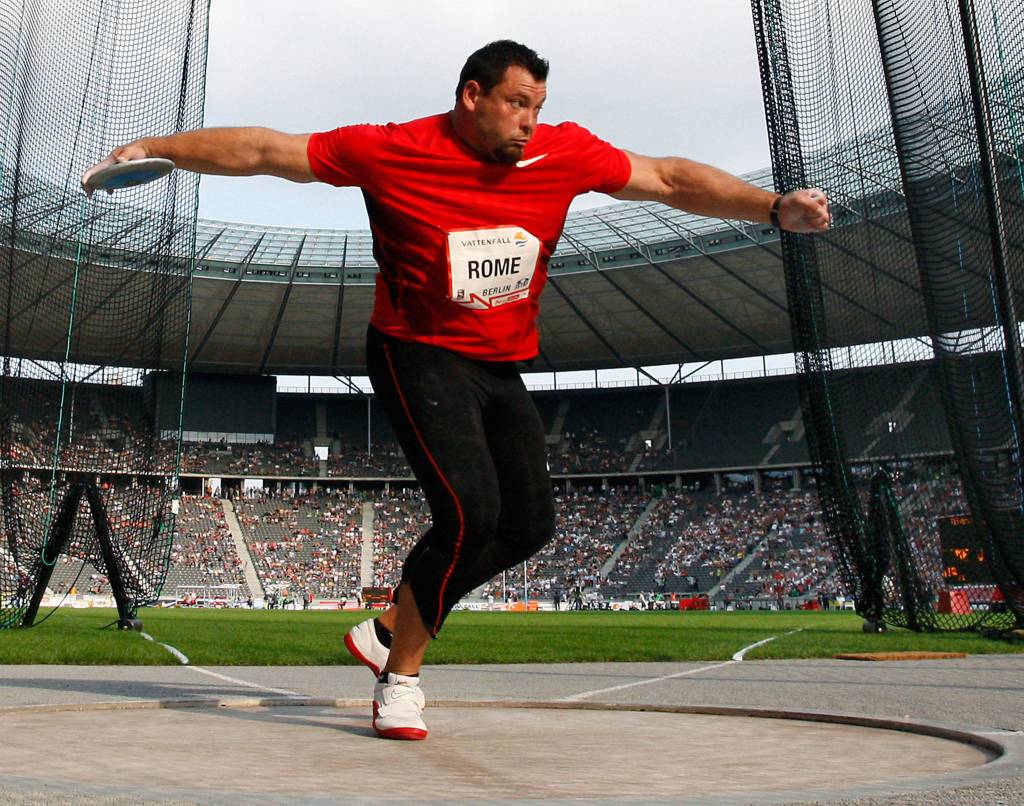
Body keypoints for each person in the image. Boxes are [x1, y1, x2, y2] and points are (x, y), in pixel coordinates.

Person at [82, 40, 830, 742]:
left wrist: (771, 208)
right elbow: (267, 151)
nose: (529, 119)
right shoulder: (391, 149)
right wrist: (158, 150)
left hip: (498, 363)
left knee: (529, 525)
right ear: (472, 96)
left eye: (537, 104)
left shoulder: (561, 151)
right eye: (516, 103)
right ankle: (399, 675)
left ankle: (383, 630)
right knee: (470, 512)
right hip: (415, 353)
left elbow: (669, 178)